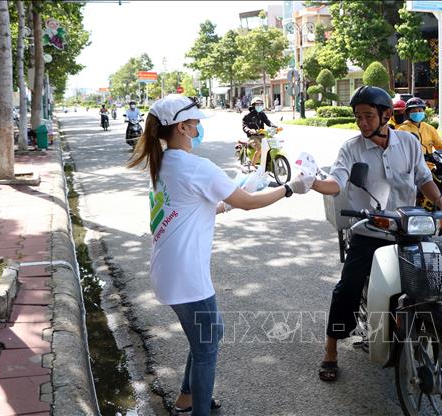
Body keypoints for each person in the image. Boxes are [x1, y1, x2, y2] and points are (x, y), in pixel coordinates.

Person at [127, 94, 315, 415]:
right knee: (206, 346)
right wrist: (289, 188)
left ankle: (187, 396)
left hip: (168, 272)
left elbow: (191, 207)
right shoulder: (196, 166)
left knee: (210, 334)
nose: (200, 128)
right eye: (196, 122)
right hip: (186, 277)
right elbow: (248, 202)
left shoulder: (164, 164)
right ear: (184, 127)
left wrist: (230, 199)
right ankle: (197, 409)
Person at [310, 86, 442, 382]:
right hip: (369, 230)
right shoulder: (351, 148)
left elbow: (423, 178)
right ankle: (330, 350)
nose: (362, 123)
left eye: (368, 116)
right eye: (358, 117)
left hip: (408, 228)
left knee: (433, 285)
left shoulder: (408, 142)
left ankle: (425, 332)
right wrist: (311, 182)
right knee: (348, 290)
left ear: (387, 115)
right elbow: (336, 182)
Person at [242, 96, 276, 170]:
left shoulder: (262, 114)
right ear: (253, 105)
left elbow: (267, 121)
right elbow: (244, 126)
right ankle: (252, 165)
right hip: (252, 137)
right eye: (257, 104)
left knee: (271, 146)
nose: (259, 106)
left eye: (261, 104)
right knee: (260, 148)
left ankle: (267, 163)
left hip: (262, 135)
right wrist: (249, 130)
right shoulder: (247, 116)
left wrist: (273, 125)